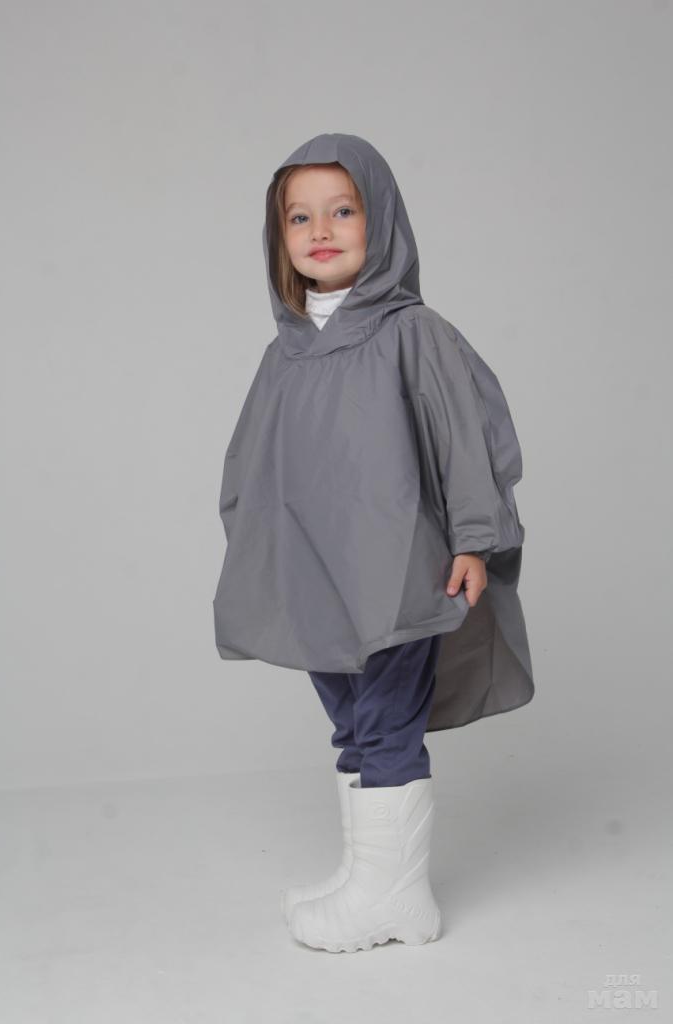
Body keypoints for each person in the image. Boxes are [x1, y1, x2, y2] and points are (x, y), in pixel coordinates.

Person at [212, 133, 535, 953]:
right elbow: (253, 458)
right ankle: (370, 877)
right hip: (316, 575)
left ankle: (394, 897)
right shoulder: (285, 353)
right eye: (299, 217)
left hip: (397, 572)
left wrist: (472, 539)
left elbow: (464, 440)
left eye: (343, 210)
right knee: (351, 720)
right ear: (278, 236)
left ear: (380, 220)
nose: (320, 230)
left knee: (389, 720)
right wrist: (254, 540)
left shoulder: (410, 334)